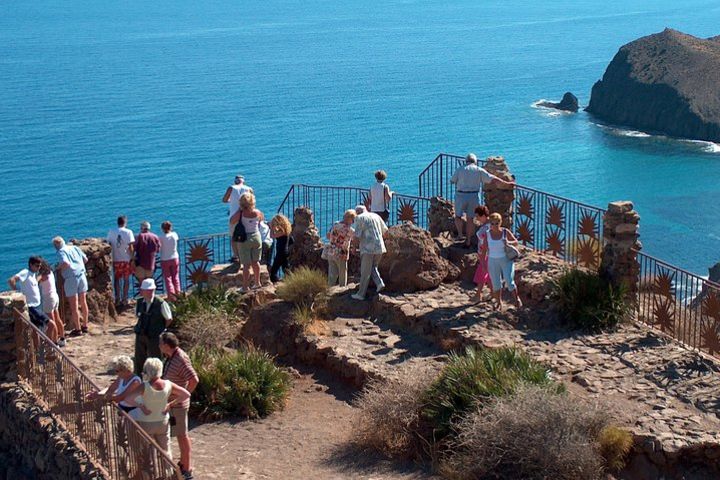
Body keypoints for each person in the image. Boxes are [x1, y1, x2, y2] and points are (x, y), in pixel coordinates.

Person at [113, 357, 191, 460]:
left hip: (146, 421)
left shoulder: (144, 386)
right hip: (162, 421)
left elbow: (128, 399)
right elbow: (186, 394)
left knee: (145, 451)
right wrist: (171, 404)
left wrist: (141, 406)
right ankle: (167, 472)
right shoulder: (168, 384)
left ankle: (148, 473)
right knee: (165, 450)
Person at [450, 153, 515, 247]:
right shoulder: (479, 170)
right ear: (475, 162)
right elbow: (493, 178)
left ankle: (460, 235)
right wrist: (506, 182)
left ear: (466, 161)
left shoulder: (460, 169)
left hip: (461, 195)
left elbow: (452, 180)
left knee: (458, 216)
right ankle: (468, 240)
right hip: (473, 196)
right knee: (470, 219)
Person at [160, 332, 199, 479]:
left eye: (160, 343)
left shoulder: (180, 359)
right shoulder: (172, 357)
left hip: (178, 406)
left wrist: (183, 396)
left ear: (166, 345)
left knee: (182, 436)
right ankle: (183, 463)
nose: (158, 346)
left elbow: (194, 379)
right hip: (173, 404)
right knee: (180, 435)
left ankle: (187, 468)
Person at [7, 256, 58, 342]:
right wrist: (17, 293)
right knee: (51, 324)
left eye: (40, 266)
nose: (39, 268)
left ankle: (39, 351)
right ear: (31, 264)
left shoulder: (33, 275)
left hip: (36, 306)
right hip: (31, 307)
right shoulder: (25, 272)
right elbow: (11, 280)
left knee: (36, 331)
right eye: (37, 266)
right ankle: (49, 347)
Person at [480, 213, 522, 311]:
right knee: (496, 283)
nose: (495, 225)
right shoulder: (487, 234)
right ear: (490, 223)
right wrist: (483, 264)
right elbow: (484, 250)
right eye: (493, 223)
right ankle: (499, 302)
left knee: (509, 280)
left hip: (505, 259)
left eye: (497, 223)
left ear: (500, 222)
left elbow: (515, 242)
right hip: (492, 260)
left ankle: (517, 300)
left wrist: (508, 242)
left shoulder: (505, 232)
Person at [133, 279, 172, 376]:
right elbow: (138, 317)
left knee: (156, 359)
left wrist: (160, 329)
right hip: (141, 334)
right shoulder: (139, 302)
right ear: (142, 291)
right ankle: (140, 379)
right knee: (139, 358)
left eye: (151, 290)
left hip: (154, 336)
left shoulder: (161, 303)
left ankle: (157, 379)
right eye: (147, 290)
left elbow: (169, 319)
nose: (150, 292)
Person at [53, 237, 89, 336]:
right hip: (82, 275)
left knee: (74, 305)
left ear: (56, 246)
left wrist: (57, 268)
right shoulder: (74, 248)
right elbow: (85, 259)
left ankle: (78, 329)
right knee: (83, 301)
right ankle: (85, 325)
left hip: (71, 278)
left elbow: (66, 263)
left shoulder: (61, 251)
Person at [351, 205, 388, 300]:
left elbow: (357, 235)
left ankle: (361, 294)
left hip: (367, 248)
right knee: (373, 267)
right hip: (380, 247)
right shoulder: (376, 216)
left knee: (365, 271)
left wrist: (354, 247)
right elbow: (386, 231)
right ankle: (379, 283)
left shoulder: (359, 218)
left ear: (357, 212)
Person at [230, 192, 264, 291]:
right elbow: (261, 219)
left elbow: (231, 221)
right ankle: (257, 283)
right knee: (256, 262)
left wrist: (239, 210)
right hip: (256, 237)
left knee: (246, 265)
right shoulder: (257, 212)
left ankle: (245, 286)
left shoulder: (241, 213)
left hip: (244, 239)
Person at [222, 175, 253, 262]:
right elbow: (252, 202)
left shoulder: (231, 188)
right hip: (247, 215)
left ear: (235, 181)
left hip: (234, 217)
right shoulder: (249, 189)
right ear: (243, 181)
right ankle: (247, 254)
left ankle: (236, 256)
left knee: (234, 237)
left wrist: (231, 201)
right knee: (247, 235)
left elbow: (224, 200)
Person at [106, 215, 135, 308]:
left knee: (117, 280)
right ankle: (125, 299)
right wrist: (133, 258)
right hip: (126, 259)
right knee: (126, 280)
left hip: (116, 259)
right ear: (125, 222)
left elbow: (108, 244)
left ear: (117, 222)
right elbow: (131, 247)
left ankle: (117, 299)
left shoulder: (111, 231)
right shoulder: (128, 232)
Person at [325, 209, 356, 287]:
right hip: (342, 253)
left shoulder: (335, 224)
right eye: (353, 220)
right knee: (342, 273)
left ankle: (329, 289)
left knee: (332, 273)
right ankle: (342, 289)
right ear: (350, 219)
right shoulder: (350, 230)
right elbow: (356, 239)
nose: (353, 222)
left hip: (331, 251)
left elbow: (328, 235)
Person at [38, 260, 65, 347]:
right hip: (55, 296)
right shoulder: (51, 273)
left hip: (48, 299)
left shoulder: (43, 275)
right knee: (57, 319)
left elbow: (35, 281)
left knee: (51, 322)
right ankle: (62, 338)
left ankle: (54, 342)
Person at [471, 205, 492, 303]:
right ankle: (493, 294)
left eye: (478, 216)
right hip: (484, 253)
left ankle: (478, 294)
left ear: (483, 215)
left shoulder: (487, 228)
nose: (477, 219)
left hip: (486, 254)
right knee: (488, 274)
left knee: (481, 273)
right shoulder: (489, 225)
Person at [160, 221, 181, 302]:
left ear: (162, 229)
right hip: (175, 258)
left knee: (168, 278)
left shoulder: (161, 237)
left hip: (165, 259)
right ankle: (178, 294)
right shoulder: (174, 235)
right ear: (170, 227)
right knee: (175, 277)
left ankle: (171, 296)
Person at [269, 214, 293, 283]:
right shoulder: (287, 231)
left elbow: (271, 236)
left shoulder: (282, 232)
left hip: (280, 252)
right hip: (285, 252)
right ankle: (291, 282)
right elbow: (292, 241)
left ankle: (275, 283)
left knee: (273, 271)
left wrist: (271, 228)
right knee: (286, 269)